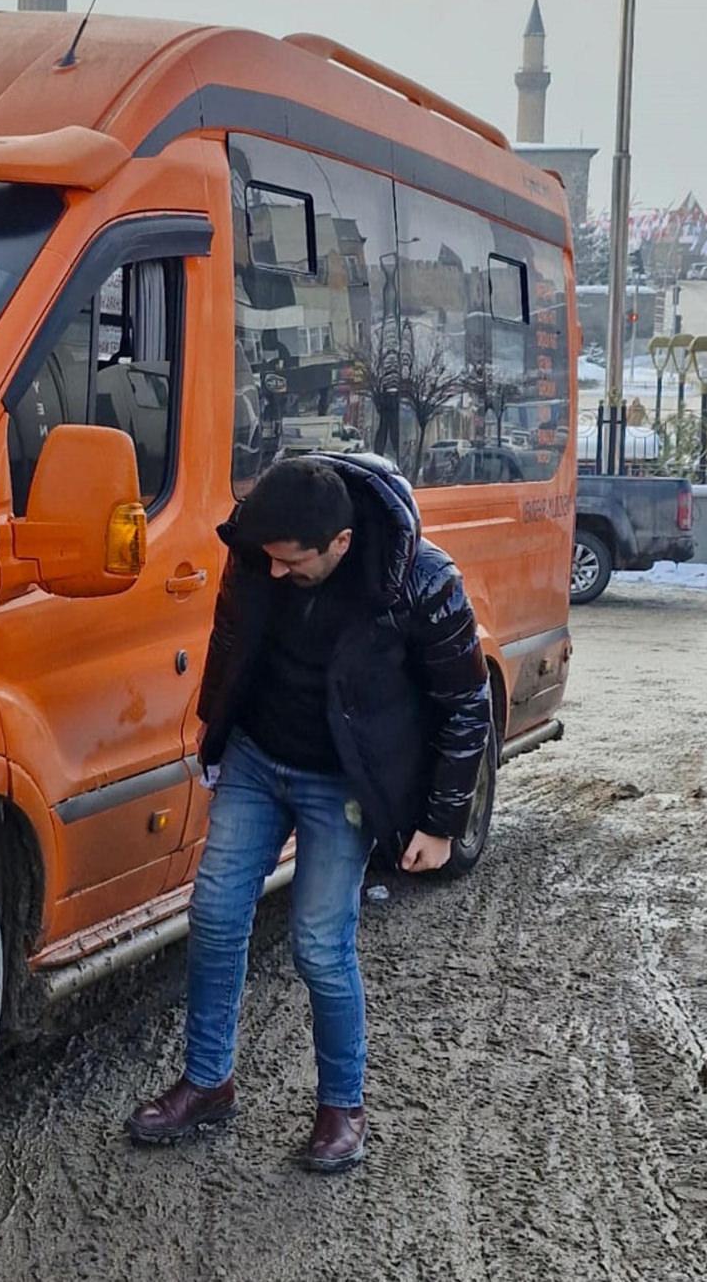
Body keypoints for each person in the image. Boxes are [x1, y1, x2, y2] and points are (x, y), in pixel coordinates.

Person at [126, 454, 490, 1172]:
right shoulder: (263, 551)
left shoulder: (422, 581)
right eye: (268, 560)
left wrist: (442, 822)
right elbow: (231, 640)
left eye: (293, 562)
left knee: (319, 946)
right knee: (217, 915)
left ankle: (342, 1108)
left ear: (341, 545)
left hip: (342, 781)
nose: (276, 572)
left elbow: (465, 704)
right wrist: (216, 733)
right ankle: (208, 1081)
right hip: (260, 759)